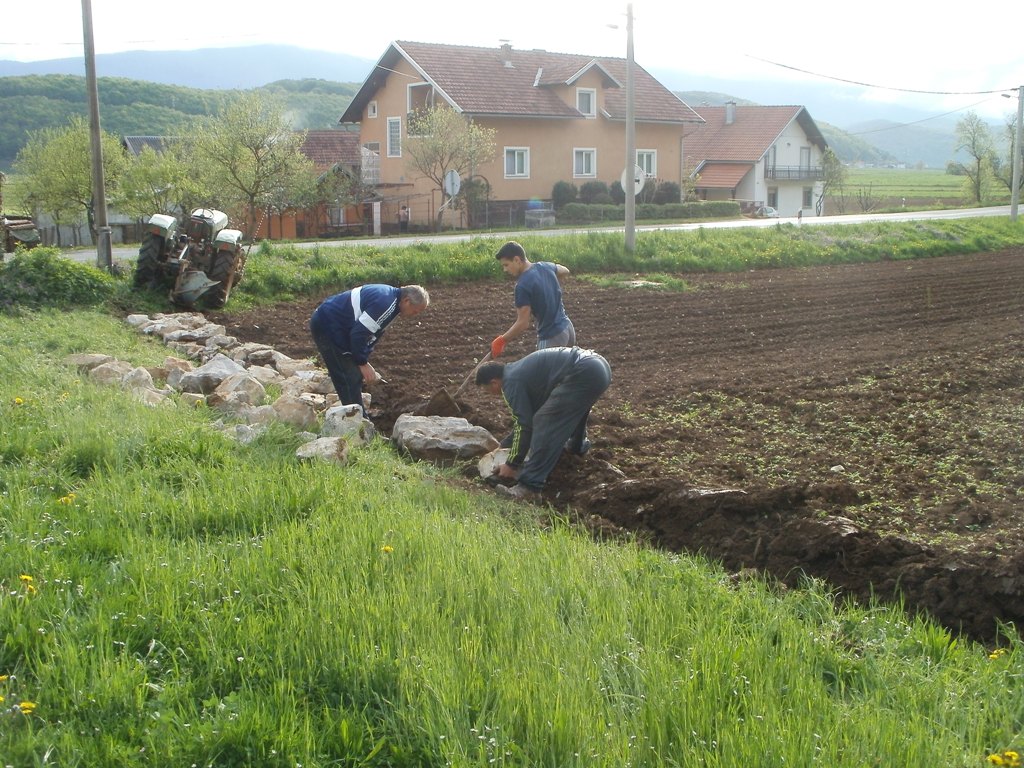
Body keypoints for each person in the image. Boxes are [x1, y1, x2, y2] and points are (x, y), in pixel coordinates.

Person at [475, 346, 611, 501]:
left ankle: (529, 487)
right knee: (563, 410)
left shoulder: (510, 383)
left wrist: (512, 464)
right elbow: (528, 418)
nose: (492, 395)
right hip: (597, 366)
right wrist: (505, 444)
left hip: (583, 370)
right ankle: (576, 447)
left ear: (494, 383)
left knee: (545, 420)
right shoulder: (519, 372)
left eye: (488, 391)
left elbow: (525, 424)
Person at [309, 284, 430, 413]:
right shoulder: (385, 304)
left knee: (352, 372)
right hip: (328, 324)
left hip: (336, 324)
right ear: (406, 301)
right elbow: (359, 334)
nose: (414, 315)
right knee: (349, 376)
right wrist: (362, 362)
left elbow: (370, 334)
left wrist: (363, 359)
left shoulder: (391, 299)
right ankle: (357, 423)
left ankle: (357, 416)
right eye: (415, 311)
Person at [490, 241, 574, 360]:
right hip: (568, 329)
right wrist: (553, 285)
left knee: (542, 377)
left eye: (506, 265)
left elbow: (523, 323)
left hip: (551, 336)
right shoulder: (545, 266)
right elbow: (565, 270)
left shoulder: (522, 285)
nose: (505, 269)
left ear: (517, 260)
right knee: (563, 374)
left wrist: (502, 340)